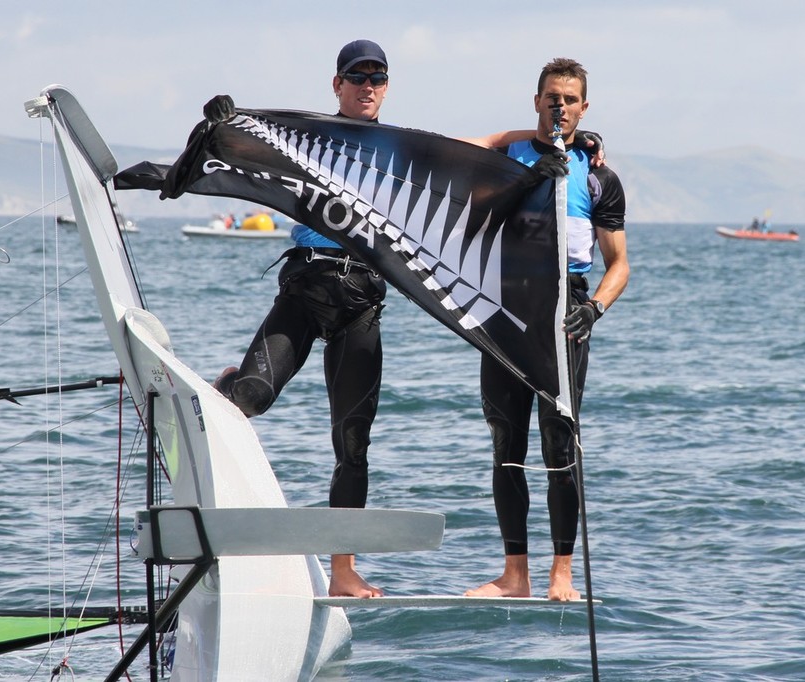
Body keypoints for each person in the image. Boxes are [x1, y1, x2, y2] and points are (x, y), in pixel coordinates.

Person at [203, 42, 577, 599]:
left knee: (353, 444)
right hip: (305, 290)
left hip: (363, 302)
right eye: (357, 78)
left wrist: (520, 143)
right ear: (338, 84)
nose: (367, 86)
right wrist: (225, 127)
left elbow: (464, 158)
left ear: (387, 86)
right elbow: (247, 155)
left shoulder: (398, 151)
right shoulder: (306, 138)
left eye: (377, 78)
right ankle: (227, 385)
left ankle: (343, 570)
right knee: (253, 397)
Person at [462, 57, 629, 602]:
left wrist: (595, 308)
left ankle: (562, 576)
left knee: (560, 442)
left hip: (567, 311)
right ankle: (515, 575)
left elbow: (620, 265)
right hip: (506, 310)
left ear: (585, 106)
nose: (560, 106)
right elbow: (449, 148)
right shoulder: (507, 155)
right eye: (551, 97)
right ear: (537, 101)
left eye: (571, 99)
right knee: (505, 444)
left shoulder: (600, 176)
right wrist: (533, 145)